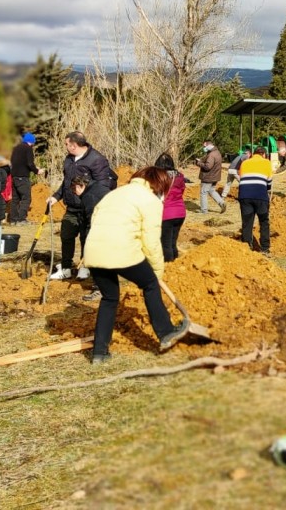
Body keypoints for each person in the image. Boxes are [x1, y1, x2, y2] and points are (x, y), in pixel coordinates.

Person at [83, 166, 188, 363]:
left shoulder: (114, 194)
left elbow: (95, 220)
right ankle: (166, 333)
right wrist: (156, 271)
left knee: (109, 298)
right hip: (121, 249)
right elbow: (151, 241)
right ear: (158, 184)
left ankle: (99, 352)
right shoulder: (150, 201)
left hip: (93, 251)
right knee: (149, 284)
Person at [47, 130, 117, 281]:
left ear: (73, 145)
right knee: (66, 236)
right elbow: (66, 182)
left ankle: (84, 267)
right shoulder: (69, 159)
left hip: (88, 208)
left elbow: (103, 186)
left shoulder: (97, 160)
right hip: (71, 207)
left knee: (86, 238)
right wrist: (56, 196)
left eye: (66, 144)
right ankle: (65, 268)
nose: (65, 146)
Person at [237, 147, 273, 254]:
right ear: (264, 154)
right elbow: (269, 182)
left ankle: (247, 246)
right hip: (260, 195)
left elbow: (241, 177)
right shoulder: (267, 163)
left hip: (244, 195)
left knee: (247, 221)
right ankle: (265, 248)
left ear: (253, 154)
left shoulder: (245, 163)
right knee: (263, 221)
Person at [155, 154, 186, 263]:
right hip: (180, 212)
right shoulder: (179, 176)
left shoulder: (159, 177)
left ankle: (169, 266)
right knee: (173, 242)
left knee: (165, 244)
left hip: (167, 213)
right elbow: (182, 190)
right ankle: (176, 265)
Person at [8, 132, 44, 225]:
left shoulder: (16, 148)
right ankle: (21, 220)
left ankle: (13, 220)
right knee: (26, 198)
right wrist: (37, 171)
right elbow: (30, 163)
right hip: (23, 177)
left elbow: (17, 162)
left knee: (15, 199)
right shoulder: (28, 149)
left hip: (14, 177)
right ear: (31, 141)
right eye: (33, 143)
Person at [194, 138, 226, 214]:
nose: (203, 147)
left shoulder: (211, 155)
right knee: (212, 190)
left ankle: (204, 211)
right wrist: (202, 161)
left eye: (204, 146)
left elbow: (208, 167)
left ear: (208, 145)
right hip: (215, 176)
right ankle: (221, 203)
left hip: (208, 177)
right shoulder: (217, 152)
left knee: (203, 192)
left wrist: (198, 163)